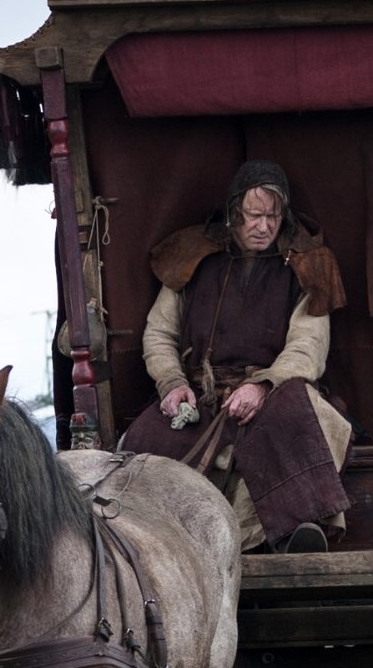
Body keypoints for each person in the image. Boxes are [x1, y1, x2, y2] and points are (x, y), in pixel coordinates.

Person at [120, 161, 353, 552]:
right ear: (233, 214)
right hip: (202, 396)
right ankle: (160, 548)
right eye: (254, 216)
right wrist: (173, 384)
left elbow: (307, 346)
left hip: (272, 389)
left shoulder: (307, 265)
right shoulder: (192, 260)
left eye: (273, 217)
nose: (264, 227)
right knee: (143, 442)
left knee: (299, 414)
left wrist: (262, 386)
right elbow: (159, 334)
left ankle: (297, 528)